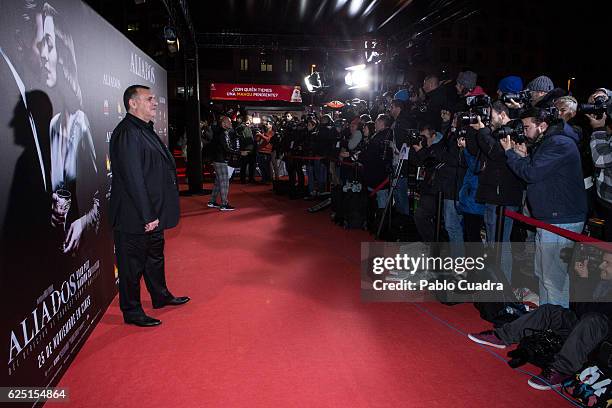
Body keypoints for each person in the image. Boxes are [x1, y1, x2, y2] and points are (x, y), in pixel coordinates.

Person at [468, 250, 612, 390]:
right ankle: (502, 336)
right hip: (584, 324)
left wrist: (584, 280)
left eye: (607, 263)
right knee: (549, 311)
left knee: (593, 319)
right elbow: (577, 309)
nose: (601, 266)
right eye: (603, 261)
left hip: (602, 337)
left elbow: (593, 314)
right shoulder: (600, 278)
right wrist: (582, 278)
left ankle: (561, 370)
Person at [109, 85, 189, 327]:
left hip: (152, 213)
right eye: (149, 99)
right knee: (131, 267)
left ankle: (160, 296)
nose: (155, 103)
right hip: (135, 216)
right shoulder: (127, 133)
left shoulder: (144, 129)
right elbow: (134, 178)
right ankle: (132, 311)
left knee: (155, 257)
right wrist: (147, 215)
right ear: (133, 103)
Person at [501, 107, 587, 308]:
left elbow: (531, 173)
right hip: (551, 217)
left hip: (561, 219)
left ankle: (555, 327)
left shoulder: (559, 143)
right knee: (544, 274)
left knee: (553, 278)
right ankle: (548, 320)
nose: (523, 132)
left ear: (542, 126)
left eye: (526, 127)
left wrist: (511, 154)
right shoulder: (549, 142)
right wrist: (522, 156)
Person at [209, 116, 239, 210]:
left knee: (218, 182)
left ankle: (212, 202)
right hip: (220, 160)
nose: (231, 124)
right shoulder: (222, 133)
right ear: (224, 123)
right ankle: (224, 204)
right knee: (224, 181)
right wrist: (238, 152)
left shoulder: (219, 132)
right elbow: (226, 148)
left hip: (218, 159)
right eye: (229, 122)